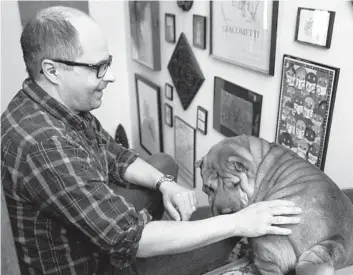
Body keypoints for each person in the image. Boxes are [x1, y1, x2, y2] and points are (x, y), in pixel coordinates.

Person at [1, 6, 302, 275]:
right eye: (97, 68)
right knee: (225, 241)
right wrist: (239, 223)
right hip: (89, 264)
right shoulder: (44, 144)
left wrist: (165, 183)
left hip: (88, 228)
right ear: (52, 71)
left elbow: (114, 155)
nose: (110, 77)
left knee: (162, 165)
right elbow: (128, 238)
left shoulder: (58, 107)